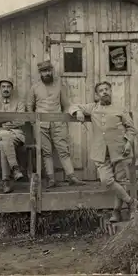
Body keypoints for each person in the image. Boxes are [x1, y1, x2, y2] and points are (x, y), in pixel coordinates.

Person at [70, 81, 138, 222]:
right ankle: (132, 203)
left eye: (107, 89)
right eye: (101, 90)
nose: (104, 92)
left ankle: (116, 212)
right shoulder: (92, 108)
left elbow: (131, 129)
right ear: (97, 95)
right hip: (100, 152)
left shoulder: (120, 109)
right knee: (106, 180)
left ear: (111, 91)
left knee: (120, 181)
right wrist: (77, 112)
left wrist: (128, 142)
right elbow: (72, 106)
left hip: (120, 150)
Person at [26, 60, 85, 188]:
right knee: (46, 152)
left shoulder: (59, 84)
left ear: (52, 70)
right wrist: (34, 123)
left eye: (48, 70)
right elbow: (30, 106)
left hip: (58, 123)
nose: (47, 73)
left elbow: (66, 105)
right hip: (40, 124)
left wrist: (64, 119)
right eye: (44, 71)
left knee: (63, 150)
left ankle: (71, 177)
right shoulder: (34, 87)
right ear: (40, 73)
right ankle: (51, 179)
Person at [0, 79, 26, 193]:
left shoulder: (19, 103)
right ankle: (15, 168)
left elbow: (21, 121)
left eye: (8, 86)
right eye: (3, 86)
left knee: (3, 141)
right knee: (4, 136)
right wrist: (11, 118)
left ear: (12, 89)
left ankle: (6, 181)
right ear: (0, 88)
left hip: (16, 134)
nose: (6, 89)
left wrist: (2, 122)